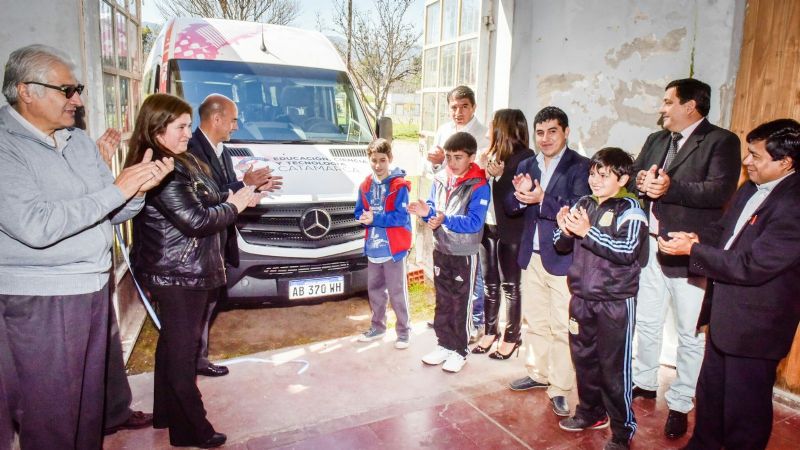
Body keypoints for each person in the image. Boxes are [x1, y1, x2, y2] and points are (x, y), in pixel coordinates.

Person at [0, 44, 172, 449]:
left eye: (77, 89)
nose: (77, 100)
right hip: (42, 298)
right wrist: (117, 190)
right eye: (67, 90)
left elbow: (110, 211)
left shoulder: (76, 141)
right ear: (26, 91)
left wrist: (136, 192)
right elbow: (35, 226)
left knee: (88, 408)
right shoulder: (6, 147)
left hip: (92, 289)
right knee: (52, 412)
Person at [125, 93, 257, 447]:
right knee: (182, 355)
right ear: (157, 129)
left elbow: (208, 195)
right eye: (181, 127)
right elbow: (197, 220)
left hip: (179, 268)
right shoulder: (159, 169)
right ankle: (192, 430)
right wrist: (237, 204)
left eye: (187, 125)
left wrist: (238, 195)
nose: (188, 132)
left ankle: (168, 415)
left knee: (171, 345)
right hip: (178, 273)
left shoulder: (178, 160)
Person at [659, 119, 800, 450]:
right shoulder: (751, 187)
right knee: (711, 400)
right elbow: (725, 231)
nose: (746, 162)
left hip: (756, 329)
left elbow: (752, 266)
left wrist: (692, 251)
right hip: (727, 319)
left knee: (744, 415)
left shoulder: (794, 205)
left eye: (755, 156)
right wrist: (697, 238)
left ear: (785, 162)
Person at [631, 78, 741, 439]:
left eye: (667, 102)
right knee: (647, 322)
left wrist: (670, 187)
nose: (661, 108)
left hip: (688, 250)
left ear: (690, 105)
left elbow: (719, 190)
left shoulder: (721, 141)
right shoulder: (657, 140)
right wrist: (642, 180)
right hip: (650, 247)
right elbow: (635, 177)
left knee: (689, 333)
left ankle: (680, 402)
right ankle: (644, 381)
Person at [554, 148, 648, 450]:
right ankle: (590, 412)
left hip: (615, 302)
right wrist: (565, 229)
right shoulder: (584, 203)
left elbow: (627, 251)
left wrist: (588, 231)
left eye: (603, 174)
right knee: (584, 361)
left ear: (622, 178)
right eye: (593, 173)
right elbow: (561, 245)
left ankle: (623, 431)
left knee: (613, 368)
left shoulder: (631, 210)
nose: (594, 179)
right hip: (581, 297)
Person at [505, 106, 590, 417]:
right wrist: (519, 195)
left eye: (552, 131)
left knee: (561, 326)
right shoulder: (528, 163)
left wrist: (543, 199)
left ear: (566, 132)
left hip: (563, 258)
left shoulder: (581, 166)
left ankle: (560, 387)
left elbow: (580, 207)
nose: (545, 138)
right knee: (536, 322)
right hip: (532, 255)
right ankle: (538, 374)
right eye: (540, 132)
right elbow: (511, 206)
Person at [187, 93, 280, 378]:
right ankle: (191, 362)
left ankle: (198, 357)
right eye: (233, 120)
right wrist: (244, 183)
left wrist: (254, 191)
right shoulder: (191, 150)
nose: (236, 127)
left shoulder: (222, 150)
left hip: (219, 244)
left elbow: (227, 193)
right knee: (195, 313)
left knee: (209, 306)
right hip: (198, 248)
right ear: (216, 119)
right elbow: (208, 196)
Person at [409, 132, 490, 373]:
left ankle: (460, 350)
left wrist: (445, 219)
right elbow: (435, 208)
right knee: (442, 299)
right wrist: (427, 212)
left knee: (461, 302)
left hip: (464, 252)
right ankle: (444, 345)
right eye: (449, 157)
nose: (452, 163)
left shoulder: (479, 185)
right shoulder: (441, 178)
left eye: (458, 157)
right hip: (440, 247)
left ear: (471, 157)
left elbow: (475, 222)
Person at [426, 85, 489, 342]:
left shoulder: (484, 135)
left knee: (474, 274)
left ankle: (474, 321)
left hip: (472, 208)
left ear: (473, 107)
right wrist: (435, 160)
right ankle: (448, 317)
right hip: (445, 209)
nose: (458, 112)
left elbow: (481, 174)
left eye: (464, 106)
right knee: (446, 274)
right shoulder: (443, 130)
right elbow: (436, 171)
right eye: (454, 107)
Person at [471, 109, 534, 359]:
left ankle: (512, 335)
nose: (488, 126)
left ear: (504, 128)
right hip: (488, 228)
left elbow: (518, 196)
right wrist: (484, 171)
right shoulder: (489, 155)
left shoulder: (525, 157)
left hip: (511, 230)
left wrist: (500, 176)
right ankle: (490, 331)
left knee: (511, 286)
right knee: (489, 284)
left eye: (493, 123)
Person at [354, 138, 413, 349]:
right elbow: (358, 209)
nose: (378, 165)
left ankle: (404, 332)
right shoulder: (365, 185)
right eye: (373, 160)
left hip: (393, 249)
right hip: (373, 248)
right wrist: (361, 216)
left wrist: (376, 219)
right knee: (375, 290)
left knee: (397, 292)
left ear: (390, 159)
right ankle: (378, 327)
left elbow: (401, 218)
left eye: (382, 160)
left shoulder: (399, 186)